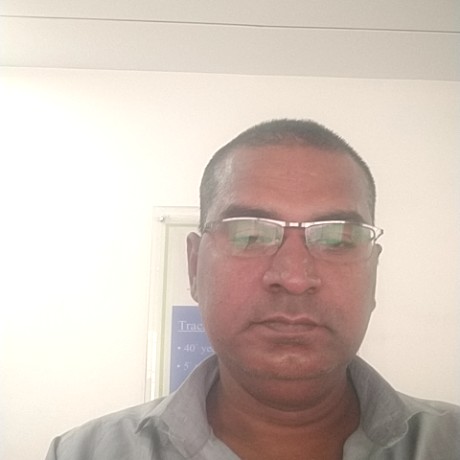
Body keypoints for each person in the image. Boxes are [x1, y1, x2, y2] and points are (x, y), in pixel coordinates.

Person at [46, 119, 460, 459]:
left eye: (336, 239)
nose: (294, 278)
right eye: (249, 234)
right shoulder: (83, 453)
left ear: (373, 272)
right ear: (194, 266)